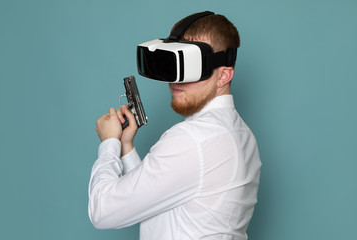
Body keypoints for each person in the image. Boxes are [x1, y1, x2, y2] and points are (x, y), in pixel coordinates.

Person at [89, 12, 261, 240]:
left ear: (223, 76)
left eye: (192, 65)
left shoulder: (191, 139)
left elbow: (103, 211)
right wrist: (125, 146)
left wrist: (109, 143)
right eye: (175, 62)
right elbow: (156, 198)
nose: (177, 80)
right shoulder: (244, 136)